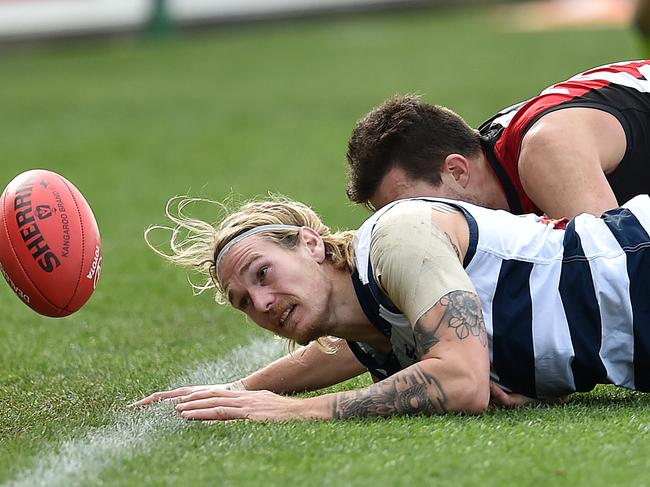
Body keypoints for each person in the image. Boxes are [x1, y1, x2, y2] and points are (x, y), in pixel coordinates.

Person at [132, 193, 650, 421]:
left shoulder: (396, 238)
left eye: (263, 273)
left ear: (312, 244)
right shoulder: (374, 322)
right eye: (245, 301)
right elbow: (346, 352)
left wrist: (292, 411)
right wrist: (238, 391)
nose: (263, 303)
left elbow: (463, 382)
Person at [346, 59, 650, 218]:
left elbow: (620, 273)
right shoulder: (495, 162)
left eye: (413, 209)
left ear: (457, 170)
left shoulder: (545, 151)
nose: (411, 228)